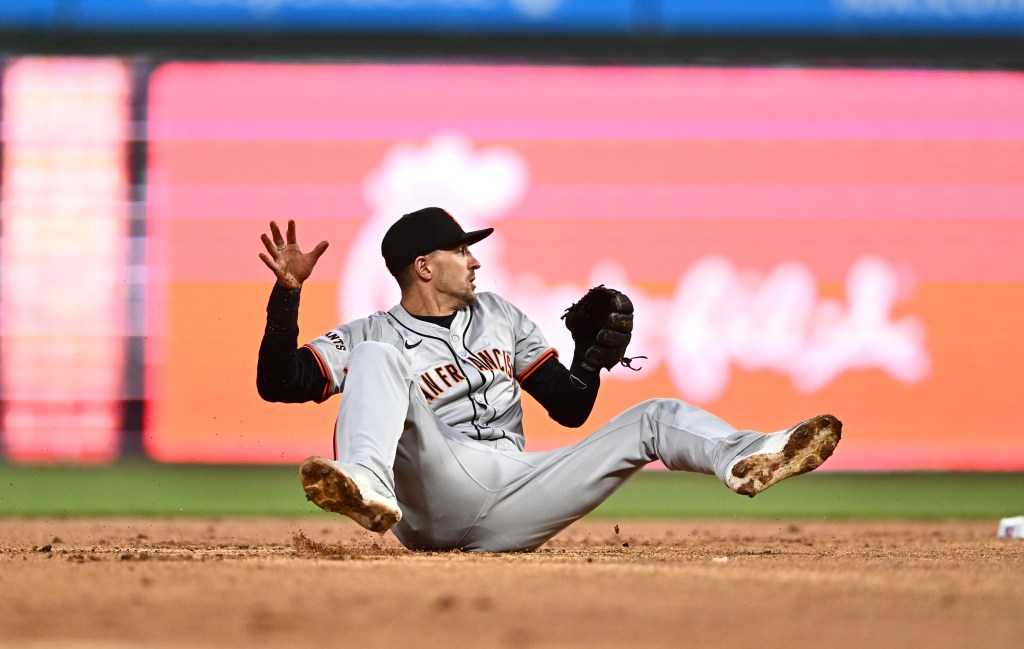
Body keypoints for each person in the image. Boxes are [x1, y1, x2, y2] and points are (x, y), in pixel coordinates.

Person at [256, 207, 841, 552]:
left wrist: (588, 359)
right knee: (380, 359)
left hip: (517, 489)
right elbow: (279, 380)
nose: (476, 260)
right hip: (428, 490)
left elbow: (568, 409)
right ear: (424, 267)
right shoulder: (372, 331)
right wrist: (287, 294)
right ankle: (367, 483)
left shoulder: (501, 317)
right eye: (462, 251)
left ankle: (747, 456)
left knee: (653, 417)